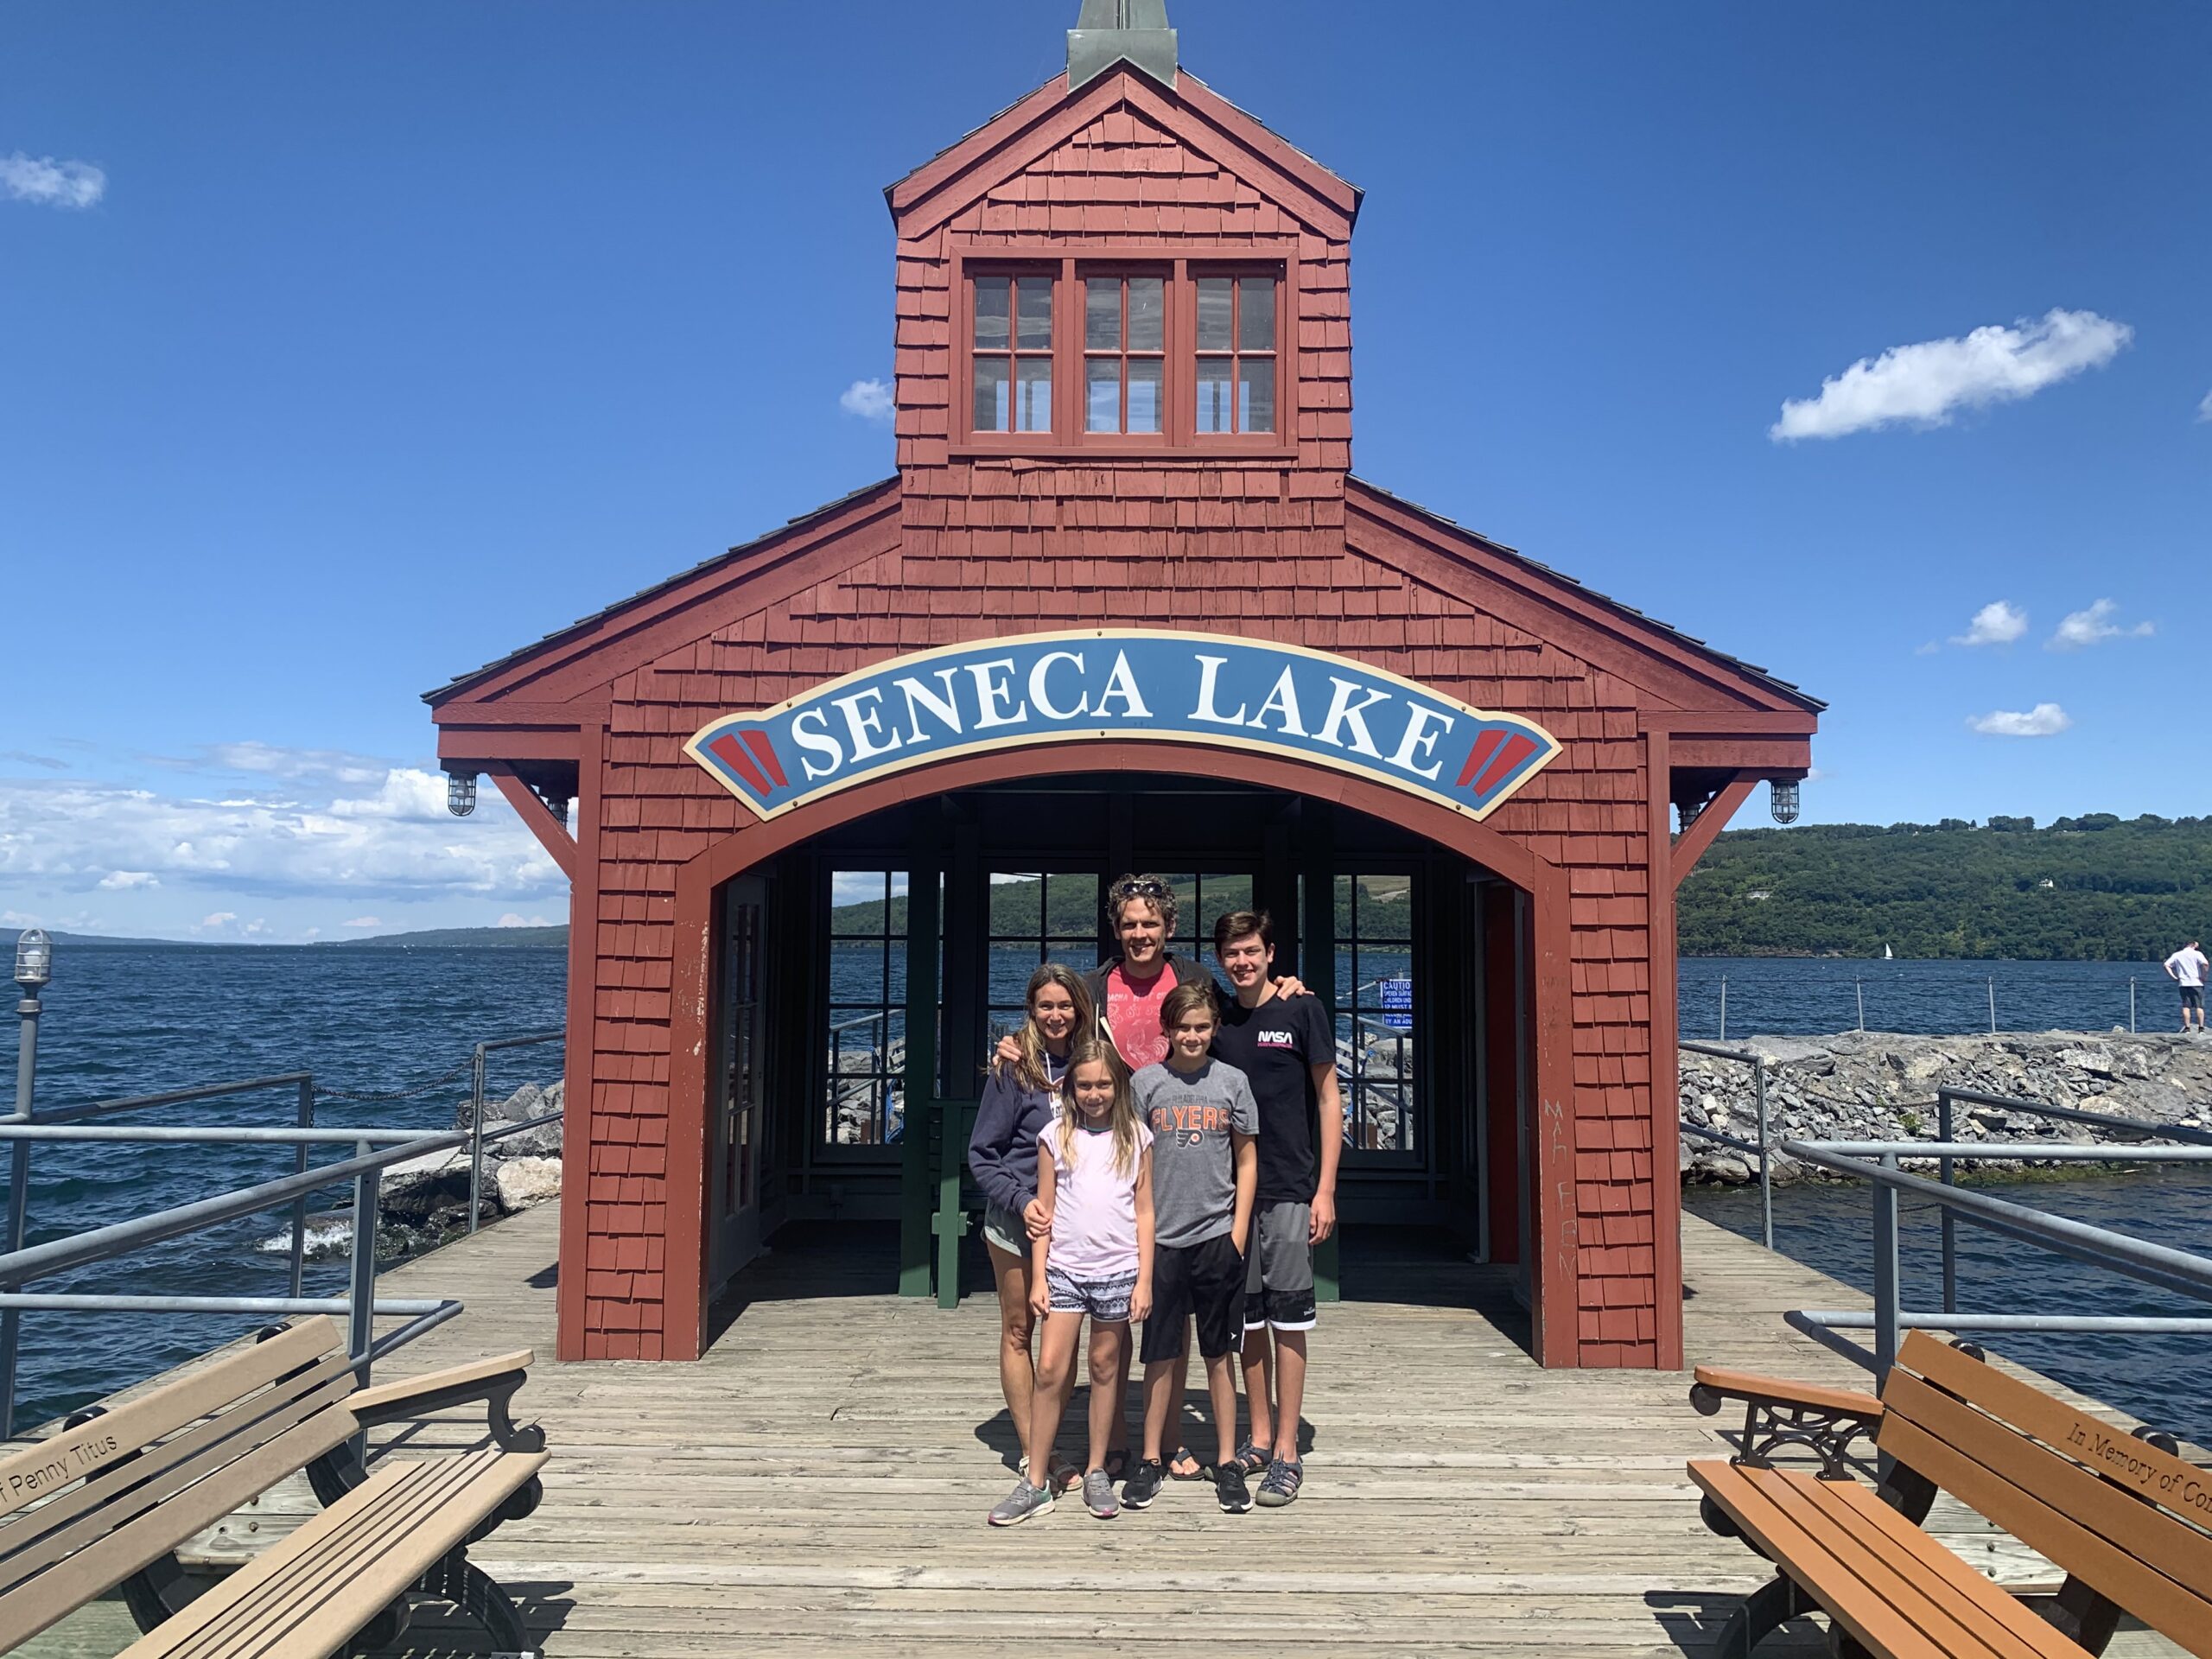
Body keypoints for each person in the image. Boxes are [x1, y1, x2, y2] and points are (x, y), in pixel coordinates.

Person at [987, 1039, 1154, 1526]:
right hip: (1063, 1270)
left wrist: (1145, 1279)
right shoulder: (1054, 1137)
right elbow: (1045, 1213)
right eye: (1085, 1084)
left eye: (1104, 1083)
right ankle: (1036, 1478)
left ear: (1118, 1085)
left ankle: (1098, 1468)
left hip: (1119, 1272)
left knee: (1105, 1367)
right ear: (1069, 1088)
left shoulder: (1137, 1138)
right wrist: (1038, 1275)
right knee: (1053, 1368)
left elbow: (1145, 1213)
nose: (1095, 1093)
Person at [1208, 909, 1343, 1509]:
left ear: (1270, 954)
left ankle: (1288, 1449)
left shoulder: (1301, 1010)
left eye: (1252, 952)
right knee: (1250, 1322)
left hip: (1289, 1187)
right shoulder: (1216, 1017)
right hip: (1229, 1194)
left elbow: (1328, 1097)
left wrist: (1326, 1190)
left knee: (1290, 1319)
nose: (1243, 962)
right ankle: (1258, 1436)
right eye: (1232, 953)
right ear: (1221, 959)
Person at [1120, 980, 1259, 1516]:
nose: (1193, 1035)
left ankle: (1226, 1460)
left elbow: (1247, 1160)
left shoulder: (1233, 1083)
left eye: (1202, 1027)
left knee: (1219, 1355)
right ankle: (1150, 1458)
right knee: (1159, 1353)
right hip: (1161, 1242)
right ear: (1167, 1031)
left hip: (1217, 1237)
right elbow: (1131, 1163)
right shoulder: (1147, 1084)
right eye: (1184, 1027)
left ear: (1214, 1029)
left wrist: (1238, 1232)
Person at [968, 963, 1095, 1491]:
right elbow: (982, 1154)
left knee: (1061, 1345)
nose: (1056, 1015)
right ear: (1031, 1009)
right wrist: (1021, 1202)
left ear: (1081, 1008)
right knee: (1020, 1331)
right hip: (1018, 1223)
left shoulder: (1094, 1061)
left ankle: (1049, 1436)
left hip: (1076, 1226)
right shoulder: (1013, 1069)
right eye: (1046, 1005)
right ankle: (1030, 1449)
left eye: (1065, 1005)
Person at [2164, 939, 2209, 1033]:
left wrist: (2174, 977)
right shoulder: (2197, 954)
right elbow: (2205, 964)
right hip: (2196, 982)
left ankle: (2187, 1028)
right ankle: (2201, 1028)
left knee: (2186, 1006)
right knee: (2199, 1006)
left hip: (2183, 983)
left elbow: (2166, 964)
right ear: (2193, 945)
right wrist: (2204, 976)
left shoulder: (2177, 954)